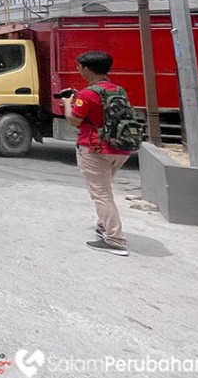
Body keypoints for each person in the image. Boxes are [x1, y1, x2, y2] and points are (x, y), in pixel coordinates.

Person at [63, 50, 132, 257]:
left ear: (87, 69)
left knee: (101, 194)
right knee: (104, 190)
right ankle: (103, 226)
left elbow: (73, 120)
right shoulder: (117, 90)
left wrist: (68, 103)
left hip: (95, 149)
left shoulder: (88, 94)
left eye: (79, 67)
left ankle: (114, 239)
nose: (78, 70)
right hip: (120, 148)